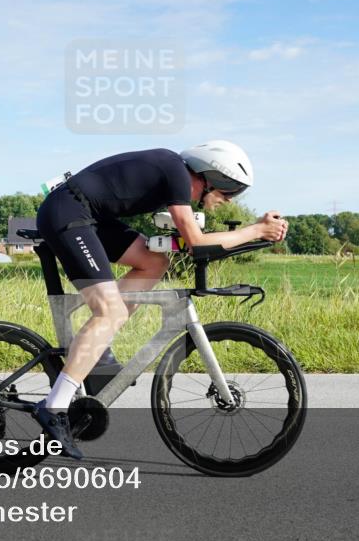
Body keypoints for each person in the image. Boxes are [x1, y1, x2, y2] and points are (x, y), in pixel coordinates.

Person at [33, 141, 288, 459]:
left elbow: (190, 242)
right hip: (67, 213)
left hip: (91, 216)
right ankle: (53, 407)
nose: (229, 199)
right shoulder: (177, 174)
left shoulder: (173, 173)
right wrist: (257, 230)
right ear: (212, 177)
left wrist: (257, 232)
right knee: (110, 312)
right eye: (230, 190)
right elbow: (197, 243)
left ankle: (95, 346)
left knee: (154, 262)